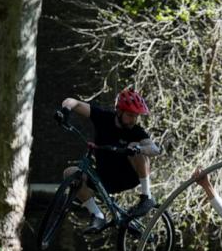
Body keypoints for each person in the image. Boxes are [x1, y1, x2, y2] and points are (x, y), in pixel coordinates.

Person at [56, 88, 161, 233]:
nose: (133, 120)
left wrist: (138, 149)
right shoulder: (103, 117)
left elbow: (155, 150)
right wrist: (65, 110)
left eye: (136, 116)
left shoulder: (136, 131)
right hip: (104, 177)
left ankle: (146, 197)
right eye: (130, 115)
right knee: (70, 173)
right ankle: (97, 215)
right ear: (119, 111)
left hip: (128, 176)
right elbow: (73, 102)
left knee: (136, 146)